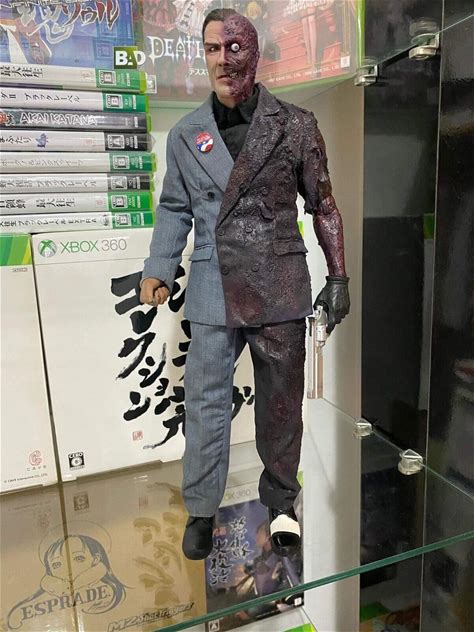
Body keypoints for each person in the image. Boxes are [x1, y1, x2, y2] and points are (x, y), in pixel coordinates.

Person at [141, 8, 350, 560]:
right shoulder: (188, 134)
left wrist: (338, 276)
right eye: (213, 49)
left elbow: (324, 205)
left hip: (279, 282)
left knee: (280, 402)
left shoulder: (295, 124)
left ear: (256, 54)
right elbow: (174, 208)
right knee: (204, 400)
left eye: (235, 47)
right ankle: (201, 509)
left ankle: (281, 504)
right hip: (214, 285)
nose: (224, 59)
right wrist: (159, 267)